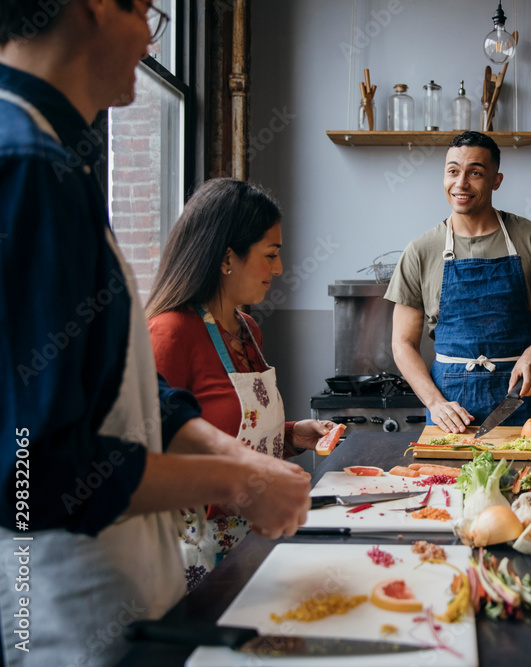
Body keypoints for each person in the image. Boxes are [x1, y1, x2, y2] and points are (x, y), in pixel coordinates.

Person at [0, 2, 311, 665]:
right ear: (95, 7)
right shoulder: (28, 167)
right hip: (64, 617)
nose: (149, 36)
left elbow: (131, 395)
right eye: (146, 12)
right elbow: (33, 470)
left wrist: (244, 460)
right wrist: (237, 484)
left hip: (131, 594)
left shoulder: (57, 159)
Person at [147, 178, 336, 589]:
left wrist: (291, 435)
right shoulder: (169, 333)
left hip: (257, 540)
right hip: (198, 555)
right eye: (270, 255)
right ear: (226, 257)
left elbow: (230, 429)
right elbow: (154, 456)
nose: (280, 269)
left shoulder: (247, 328)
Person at [387, 131, 531, 433]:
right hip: (450, 410)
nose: (461, 183)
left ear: (496, 180)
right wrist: (435, 403)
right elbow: (403, 343)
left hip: (521, 399)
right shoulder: (420, 251)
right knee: (445, 481)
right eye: (453, 171)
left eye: (475, 173)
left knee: (525, 480)